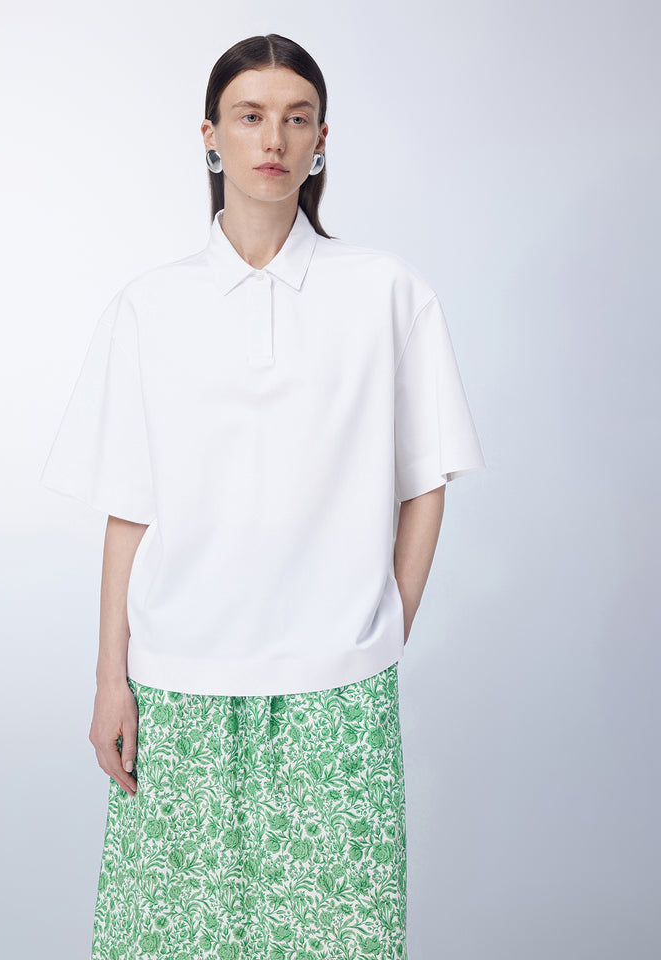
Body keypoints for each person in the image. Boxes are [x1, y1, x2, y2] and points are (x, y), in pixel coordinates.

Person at [40, 32, 485, 960]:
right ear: (210, 135)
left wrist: (384, 627)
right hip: (179, 685)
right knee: (170, 940)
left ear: (322, 140)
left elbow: (426, 480)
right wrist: (110, 678)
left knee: (340, 937)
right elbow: (130, 508)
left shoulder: (387, 294)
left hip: (335, 691)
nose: (273, 138)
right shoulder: (149, 306)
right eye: (249, 117)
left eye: (296, 118)